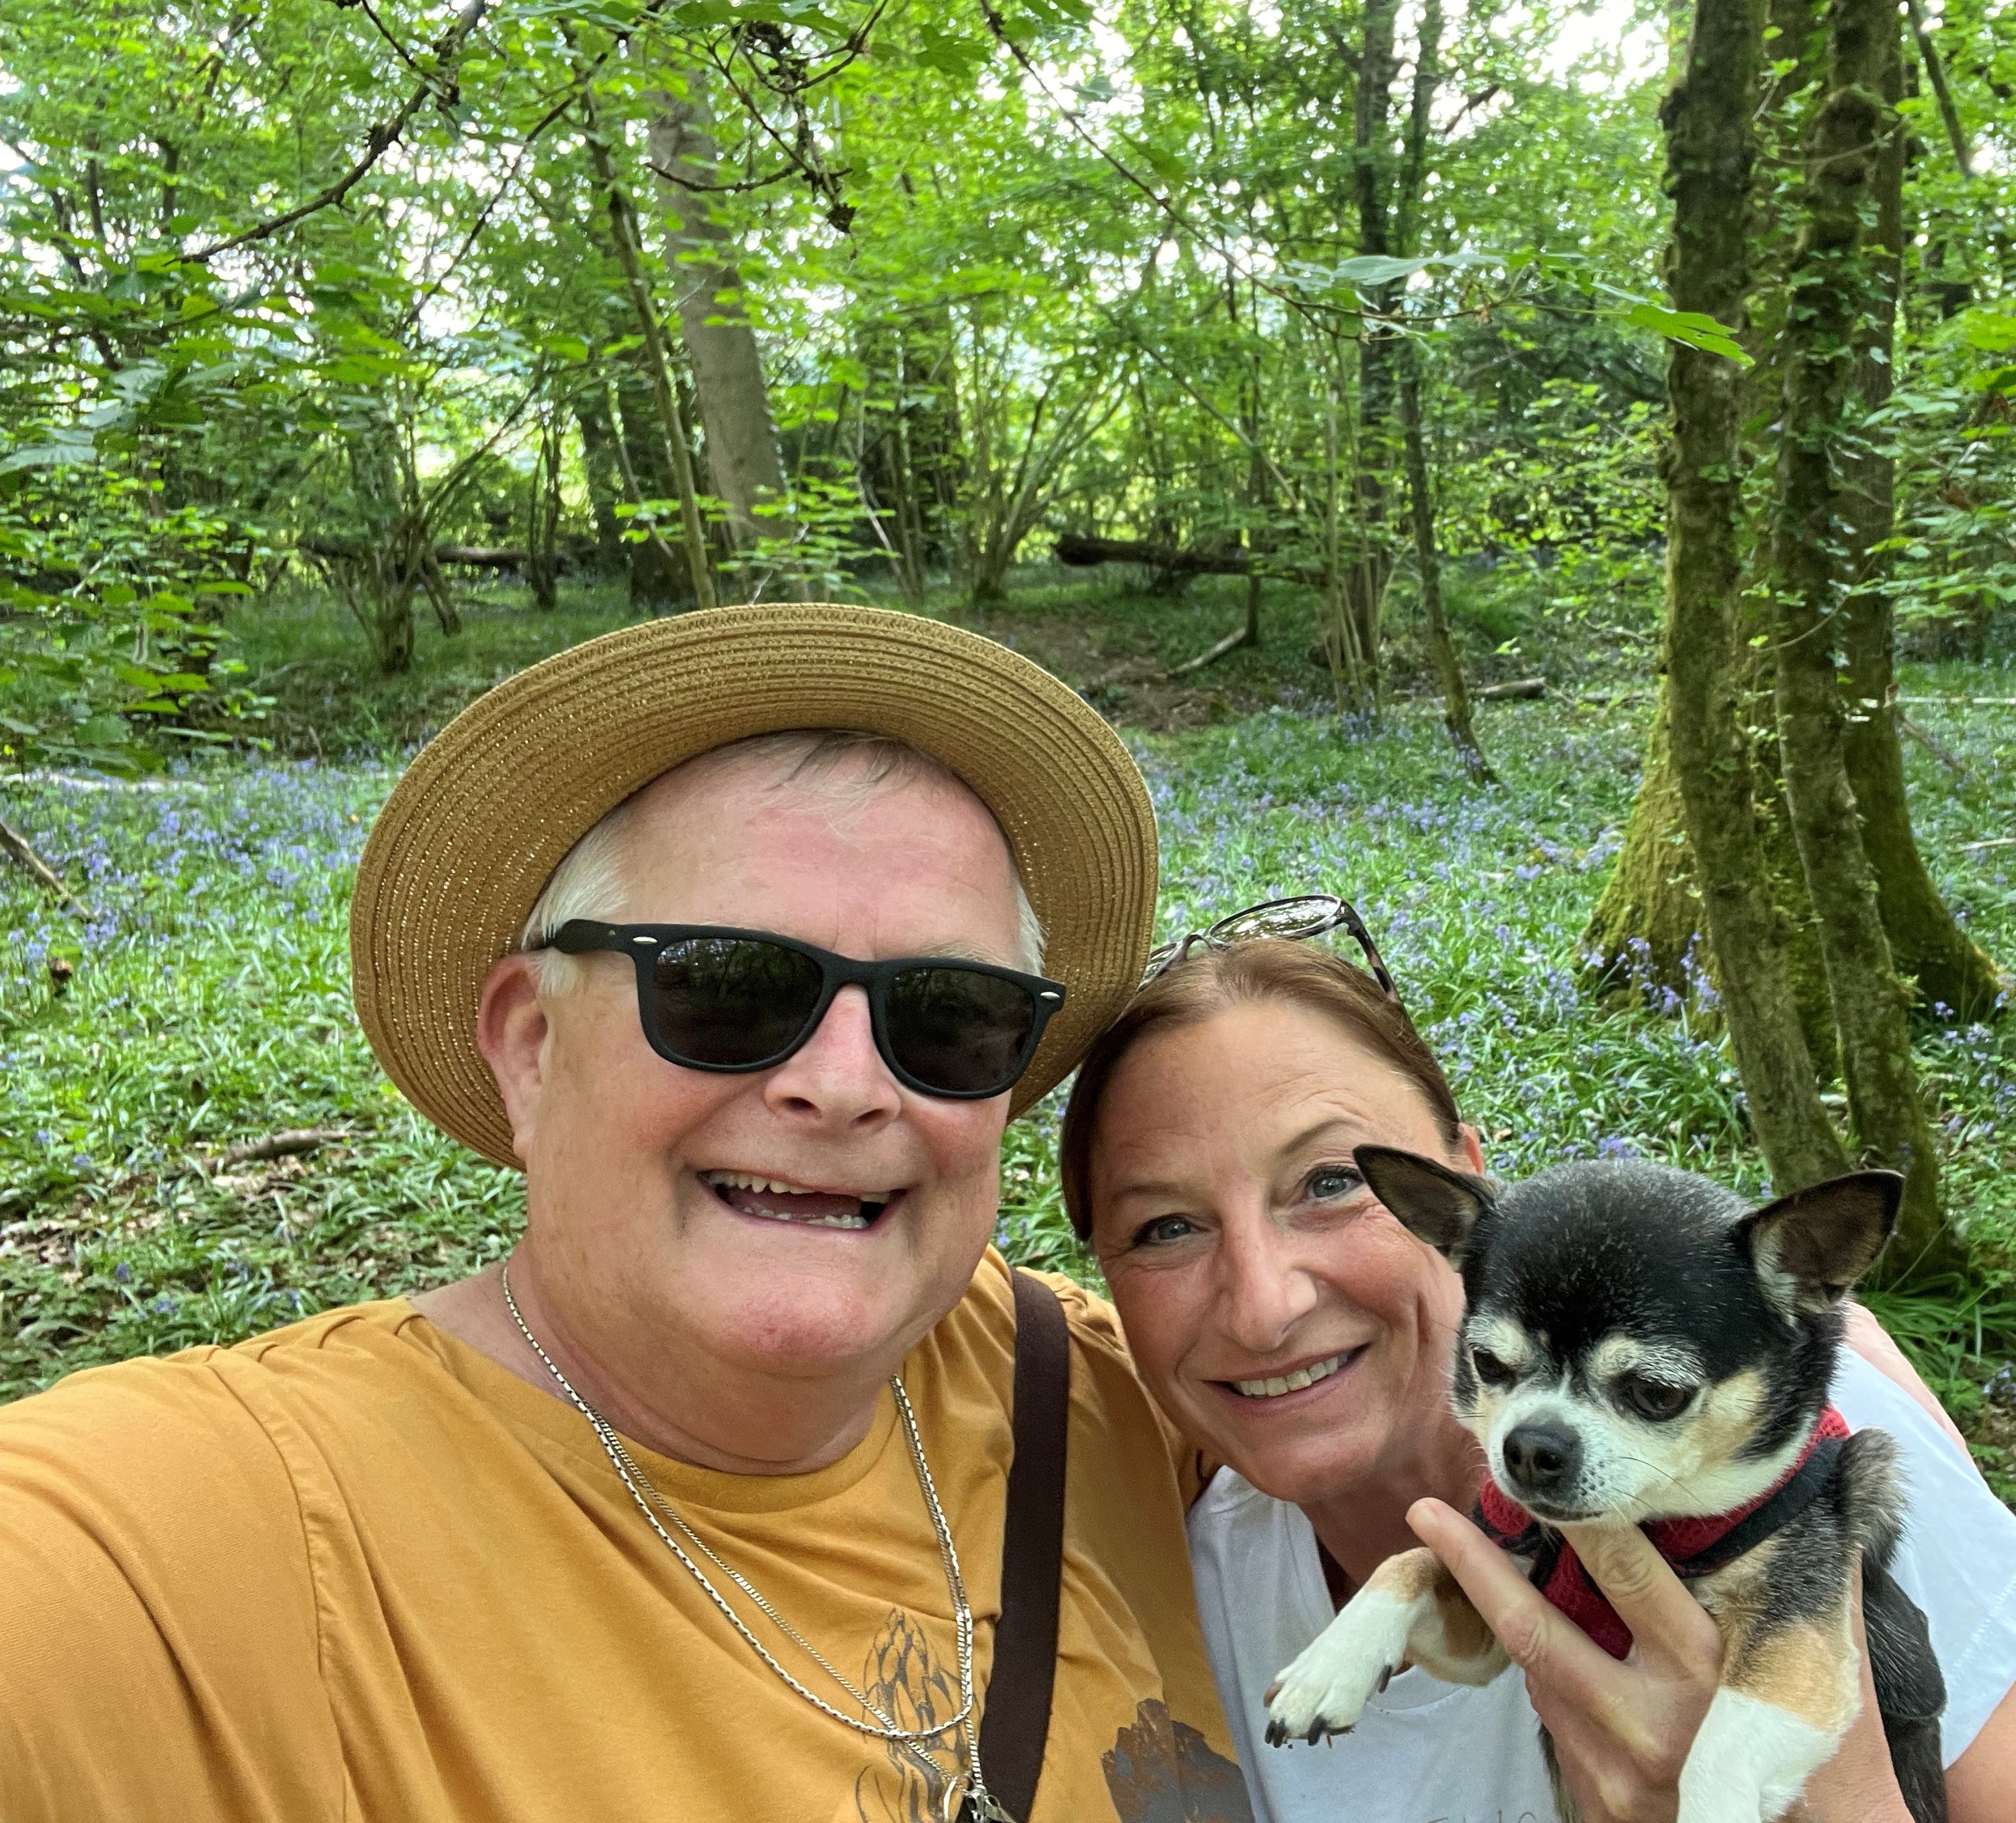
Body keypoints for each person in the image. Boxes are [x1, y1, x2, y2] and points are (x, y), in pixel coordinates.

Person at [0, 605, 1250, 1823]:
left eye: (948, 1014)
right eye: (728, 988)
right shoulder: (212, 1534)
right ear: (532, 1048)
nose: (846, 1084)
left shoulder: (1134, 1395)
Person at [1058, 905, 2016, 1823]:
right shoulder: (1174, 1590)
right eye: (1164, 1227)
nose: (1264, 1306)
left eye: (1332, 1182)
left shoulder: (1806, 1452)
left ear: (1463, 1184)